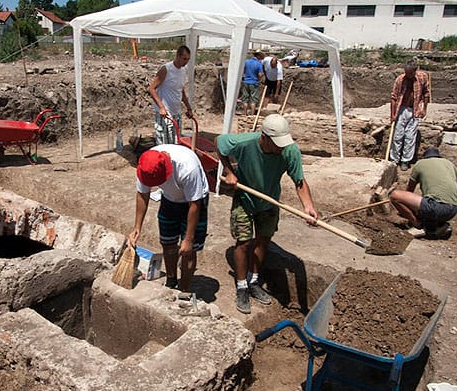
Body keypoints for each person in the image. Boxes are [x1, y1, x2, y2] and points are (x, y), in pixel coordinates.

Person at [216, 114, 318, 314]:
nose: (281, 148)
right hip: (245, 196)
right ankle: (241, 286)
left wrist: (308, 207)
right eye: (276, 144)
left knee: (263, 240)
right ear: (264, 137)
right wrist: (228, 170)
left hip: (270, 200)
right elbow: (219, 143)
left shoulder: (290, 151)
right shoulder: (245, 142)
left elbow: (299, 181)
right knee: (244, 242)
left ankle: (253, 281)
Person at [129, 145, 209, 293]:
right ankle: (171, 281)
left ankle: (184, 290)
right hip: (169, 199)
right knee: (168, 242)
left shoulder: (187, 167)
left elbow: (194, 205)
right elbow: (142, 194)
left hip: (194, 201)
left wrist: (189, 239)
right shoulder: (146, 165)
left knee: (188, 251)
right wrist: (137, 228)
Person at [389, 147, 457, 240]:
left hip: (436, 208)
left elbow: (410, 190)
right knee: (427, 202)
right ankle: (438, 226)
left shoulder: (420, 164)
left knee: (394, 196)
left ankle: (418, 225)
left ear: (424, 157)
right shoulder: (448, 163)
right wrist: (454, 195)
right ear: (438, 156)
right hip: (453, 209)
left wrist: (405, 210)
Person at [389, 61, 432, 171]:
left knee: (410, 137)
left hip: (415, 109)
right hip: (401, 109)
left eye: (410, 74)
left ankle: (405, 160)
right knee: (397, 136)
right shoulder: (400, 79)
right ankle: (394, 159)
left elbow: (426, 94)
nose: (407, 76)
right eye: (406, 73)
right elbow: (393, 97)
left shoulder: (422, 77)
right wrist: (393, 114)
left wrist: (424, 109)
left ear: (415, 71)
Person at [148, 46, 194, 145]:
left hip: (176, 112)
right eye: (184, 59)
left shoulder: (183, 70)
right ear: (177, 56)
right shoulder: (166, 69)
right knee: (164, 143)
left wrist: (189, 108)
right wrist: (161, 107)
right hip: (165, 113)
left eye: (188, 59)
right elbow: (151, 89)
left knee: (176, 141)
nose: (186, 62)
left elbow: (181, 90)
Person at [240, 51, 264, 116]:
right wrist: (261, 76)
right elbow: (260, 74)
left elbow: (243, 71)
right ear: (258, 56)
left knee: (245, 99)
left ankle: (245, 114)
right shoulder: (259, 64)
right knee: (253, 100)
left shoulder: (246, 62)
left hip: (246, 82)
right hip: (254, 83)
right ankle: (252, 116)